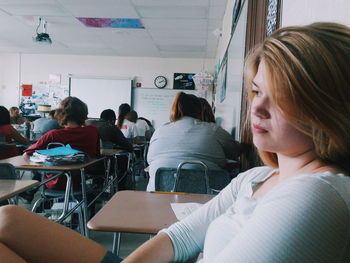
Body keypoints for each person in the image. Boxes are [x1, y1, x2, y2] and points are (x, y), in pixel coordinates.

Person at [0, 22, 349, 263]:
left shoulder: (316, 195)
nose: (256, 106)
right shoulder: (253, 178)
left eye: (281, 95)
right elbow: (178, 237)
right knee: (8, 219)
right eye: (256, 91)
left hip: (157, 188)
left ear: (329, 106)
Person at [146, 92, 240, 191]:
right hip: (208, 197)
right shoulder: (213, 130)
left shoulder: (159, 131)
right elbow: (235, 152)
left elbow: (150, 160)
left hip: (160, 195)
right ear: (200, 111)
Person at [23, 96, 100, 190]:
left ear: (60, 114)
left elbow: (26, 155)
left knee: (42, 168)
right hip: (83, 179)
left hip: (56, 181)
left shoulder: (53, 135)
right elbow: (96, 153)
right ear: (84, 114)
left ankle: (33, 195)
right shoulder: (93, 131)